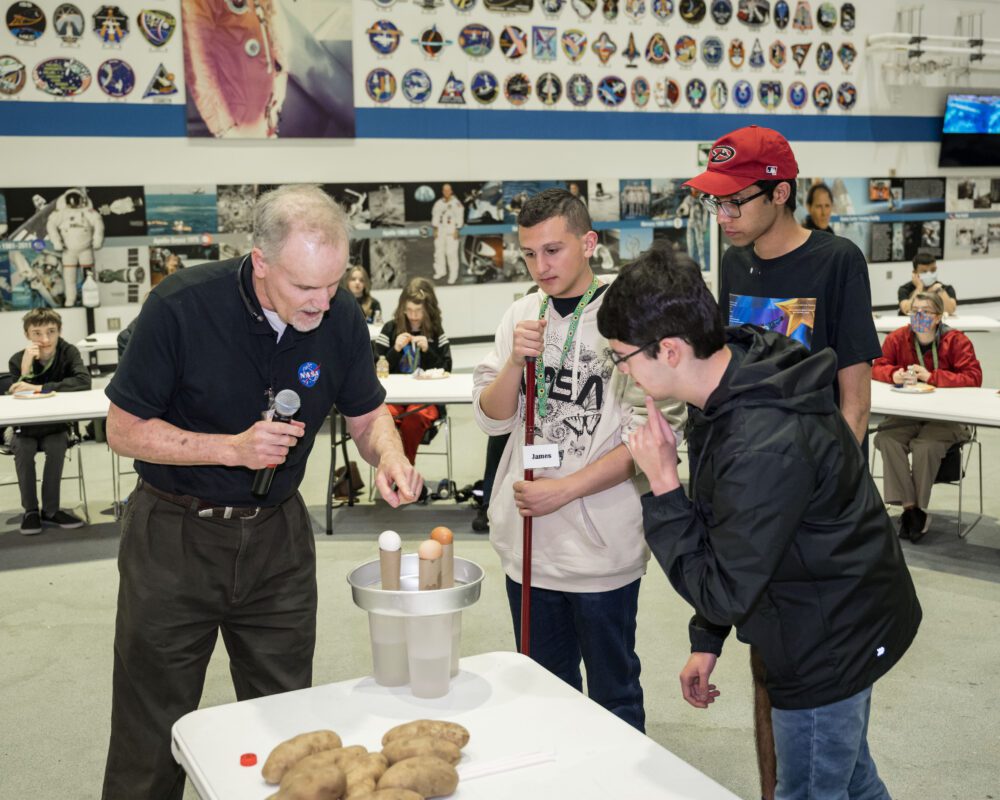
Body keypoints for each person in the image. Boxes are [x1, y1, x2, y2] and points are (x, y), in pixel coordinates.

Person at [100, 185, 421, 799]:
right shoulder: (181, 306)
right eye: (306, 287)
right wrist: (231, 448)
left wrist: (390, 455)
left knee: (288, 722)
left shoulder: (338, 315)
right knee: (152, 729)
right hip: (175, 538)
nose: (323, 302)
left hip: (278, 542)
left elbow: (366, 414)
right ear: (261, 262)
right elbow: (123, 429)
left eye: (334, 284)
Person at [597, 247, 922, 800]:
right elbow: (734, 531)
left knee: (813, 787)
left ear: (669, 350)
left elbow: (725, 587)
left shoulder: (759, 440)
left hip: (828, 641)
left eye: (621, 357)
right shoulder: (734, 375)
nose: (621, 370)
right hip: (826, 611)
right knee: (852, 778)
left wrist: (664, 485)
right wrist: (708, 637)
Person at [683, 124, 883, 800]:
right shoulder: (734, 262)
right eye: (716, 202)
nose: (723, 215)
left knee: (819, 713)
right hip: (759, 504)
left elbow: (855, 402)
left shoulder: (837, 261)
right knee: (814, 728)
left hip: (818, 518)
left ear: (781, 192)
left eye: (735, 201)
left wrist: (827, 502)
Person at [473, 188, 686, 732]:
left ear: (588, 243)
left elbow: (652, 435)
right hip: (528, 545)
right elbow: (492, 418)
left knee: (615, 694)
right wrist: (514, 364)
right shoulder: (521, 314)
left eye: (553, 250)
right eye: (528, 254)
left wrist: (565, 490)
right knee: (544, 692)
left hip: (601, 548)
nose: (539, 266)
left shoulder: (630, 316)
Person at [873, 291, 982, 542]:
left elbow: (973, 377)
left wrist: (932, 377)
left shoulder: (956, 341)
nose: (918, 316)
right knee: (887, 439)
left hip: (947, 417)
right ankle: (912, 510)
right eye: (914, 311)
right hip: (908, 413)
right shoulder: (897, 338)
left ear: (938, 317)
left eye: (925, 312)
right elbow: (877, 365)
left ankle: (916, 510)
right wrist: (893, 374)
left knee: (925, 446)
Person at [6, 308, 91, 535]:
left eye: (51, 331)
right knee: (24, 449)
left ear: (59, 331)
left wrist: (39, 387)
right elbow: (15, 394)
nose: (45, 339)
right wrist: (26, 370)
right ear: (27, 334)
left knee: (56, 446)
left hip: (55, 426)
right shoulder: (17, 359)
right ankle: (31, 511)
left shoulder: (68, 352)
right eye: (37, 333)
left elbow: (83, 381)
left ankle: (51, 510)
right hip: (25, 427)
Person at [374, 277, 452, 467]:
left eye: (418, 310)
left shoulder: (435, 331)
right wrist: (395, 350)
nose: (413, 315)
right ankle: (392, 469)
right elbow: (376, 367)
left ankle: (403, 469)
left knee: (413, 418)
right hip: (394, 397)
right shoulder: (390, 328)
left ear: (427, 310)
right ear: (402, 308)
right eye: (409, 310)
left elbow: (446, 368)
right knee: (385, 419)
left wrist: (428, 350)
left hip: (426, 399)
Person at [432, 183, 464, 284]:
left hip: (451, 230)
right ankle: (440, 271)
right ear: (442, 191)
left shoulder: (456, 203)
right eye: (444, 190)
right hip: (440, 230)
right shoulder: (438, 203)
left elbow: (459, 217)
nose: (446, 192)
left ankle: (453, 275)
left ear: (451, 191)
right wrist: (435, 228)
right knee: (438, 252)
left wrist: (457, 229)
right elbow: (435, 216)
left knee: (451, 253)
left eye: (448, 190)